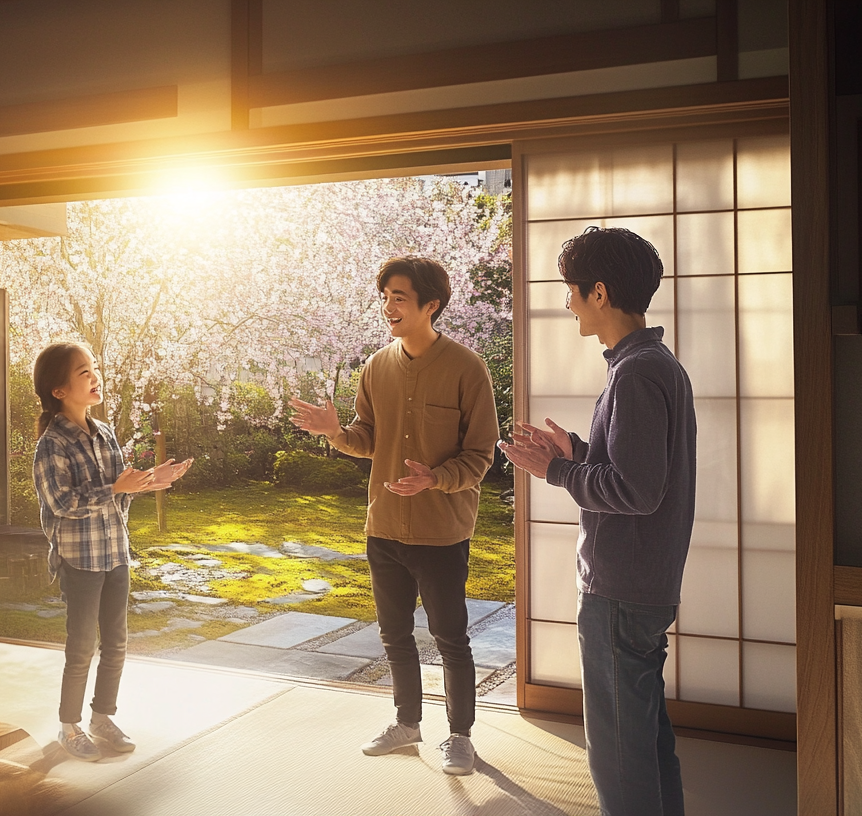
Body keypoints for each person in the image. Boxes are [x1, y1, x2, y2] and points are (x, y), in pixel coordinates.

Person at [499, 227, 695, 816]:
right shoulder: (653, 363)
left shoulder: (635, 372)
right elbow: (637, 470)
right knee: (646, 740)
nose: (567, 303)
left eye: (572, 290)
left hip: (621, 590)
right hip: (644, 584)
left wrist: (556, 470)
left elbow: (636, 491)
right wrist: (580, 452)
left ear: (600, 293)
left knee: (617, 754)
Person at [290, 256, 498, 776]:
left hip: (441, 531)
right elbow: (367, 439)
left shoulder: (467, 369)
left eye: (399, 297)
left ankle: (460, 737)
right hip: (383, 526)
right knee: (394, 635)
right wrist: (334, 433)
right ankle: (406, 725)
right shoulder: (375, 366)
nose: (388, 307)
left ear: (432, 305)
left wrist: (435, 478)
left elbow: (480, 456)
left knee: (451, 637)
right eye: (384, 297)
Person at [31, 341, 193, 761]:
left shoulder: (104, 433)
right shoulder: (51, 444)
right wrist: (116, 487)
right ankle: (70, 726)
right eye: (83, 372)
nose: (94, 376)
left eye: (93, 368)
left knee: (117, 644)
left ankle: (103, 717)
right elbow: (62, 504)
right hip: (80, 559)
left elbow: (116, 501)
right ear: (59, 390)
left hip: (115, 553)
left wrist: (148, 482)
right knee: (82, 646)